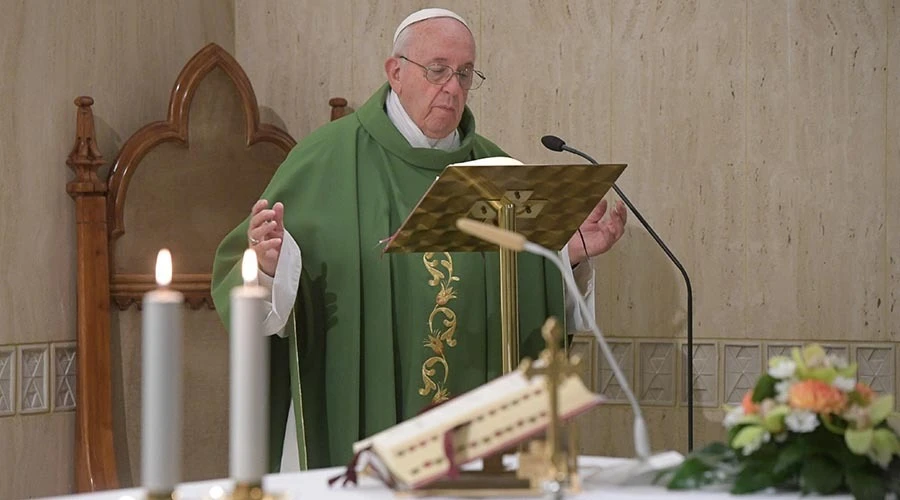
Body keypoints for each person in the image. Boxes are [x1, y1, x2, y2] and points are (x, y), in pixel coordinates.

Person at [211, 8, 627, 472]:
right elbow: (243, 275)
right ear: (396, 71)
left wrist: (563, 256)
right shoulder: (325, 159)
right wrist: (268, 267)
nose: (452, 86)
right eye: (437, 70)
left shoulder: (497, 172)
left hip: (472, 438)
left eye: (465, 74)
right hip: (361, 417)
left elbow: (527, 303)